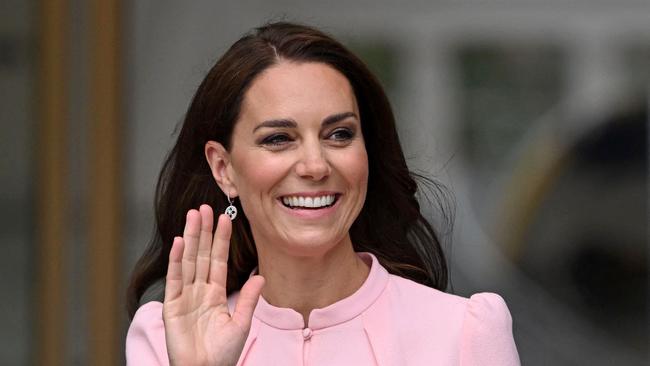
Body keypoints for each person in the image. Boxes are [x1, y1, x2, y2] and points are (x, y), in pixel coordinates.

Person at [125, 21, 520, 365]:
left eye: (339, 134)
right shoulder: (167, 340)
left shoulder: (464, 331)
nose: (315, 166)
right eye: (279, 138)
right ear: (224, 169)